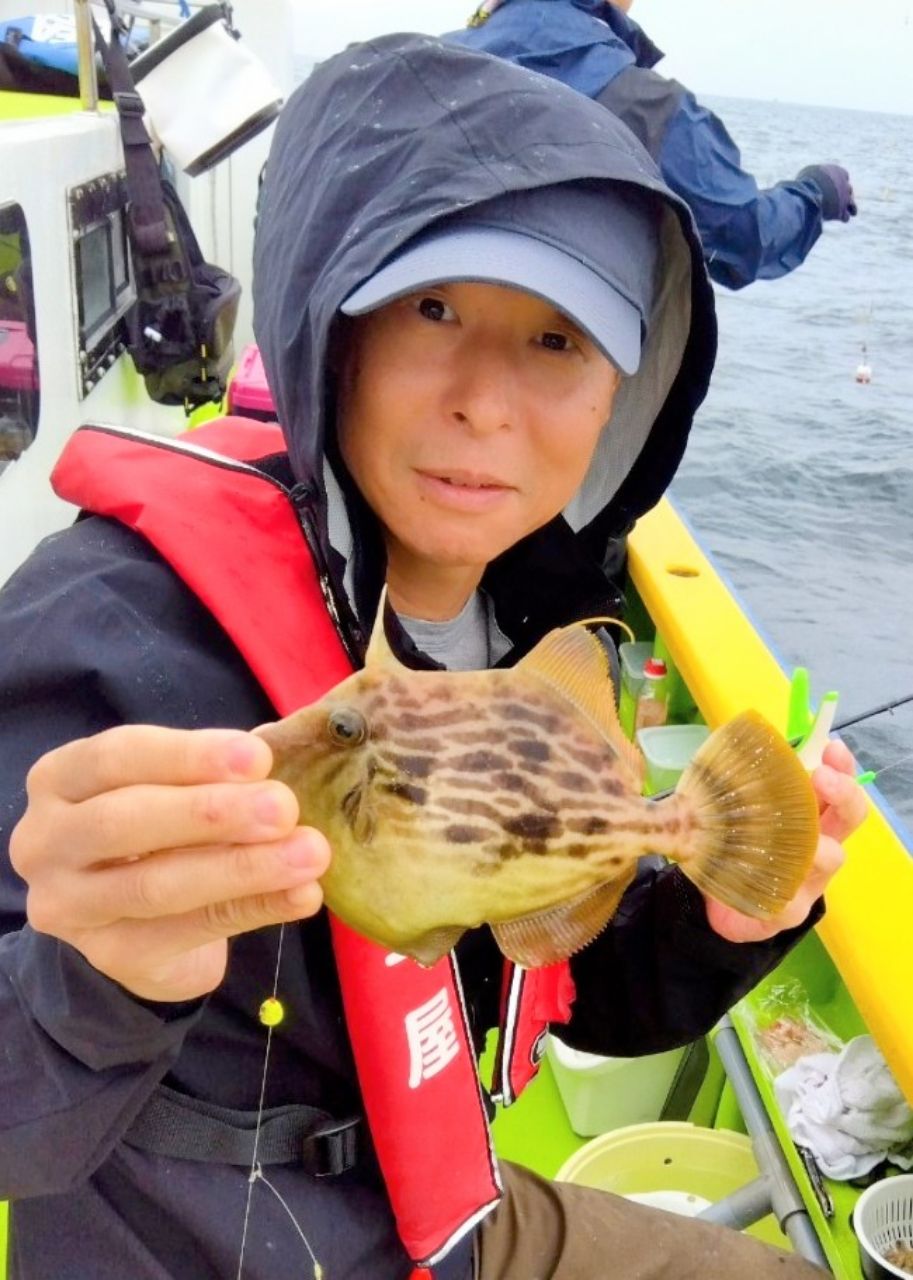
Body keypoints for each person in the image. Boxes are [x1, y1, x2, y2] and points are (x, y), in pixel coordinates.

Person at [0, 32, 866, 1280]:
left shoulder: (525, 619)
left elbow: (557, 985)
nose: (485, 401)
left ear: (624, 389)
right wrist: (91, 979)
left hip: (445, 1205)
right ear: (332, 323)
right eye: (435, 309)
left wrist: (725, 913)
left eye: (558, 341)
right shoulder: (110, 630)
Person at [449, 0, 858, 289]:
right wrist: (816, 193)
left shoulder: (422, 70)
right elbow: (743, 236)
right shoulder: (647, 106)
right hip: (578, 386)